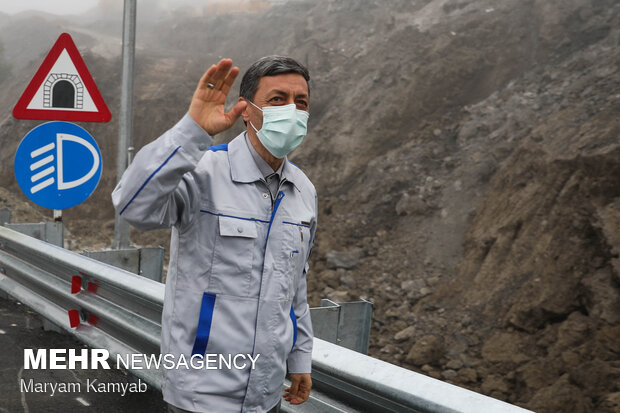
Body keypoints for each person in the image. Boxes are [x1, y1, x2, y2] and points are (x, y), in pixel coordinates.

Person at [112, 56, 317, 413]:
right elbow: (132, 207)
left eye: (301, 102)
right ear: (247, 110)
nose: (292, 110)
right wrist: (192, 131)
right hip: (199, 394)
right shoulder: (203, 172)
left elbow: (294, 287)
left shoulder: (304, 192)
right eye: (277, 99)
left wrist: (300, 359)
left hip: (267, 396)